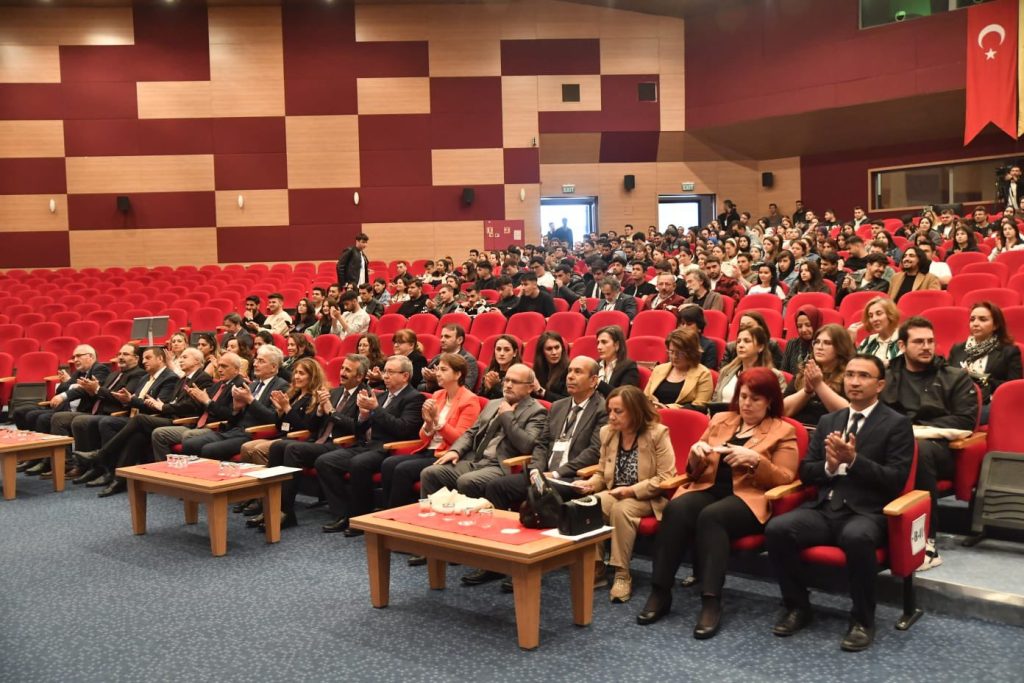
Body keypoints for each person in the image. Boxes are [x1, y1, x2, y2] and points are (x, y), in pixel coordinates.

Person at [766, 354, 914, 652]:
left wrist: (854, 460)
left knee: (856, 536)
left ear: (880, 385)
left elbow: (895, 480)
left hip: (868, 512)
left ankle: (862, 620)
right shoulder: (828, 421)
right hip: (825, 508)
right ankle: (798, 606)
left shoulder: (897, 424)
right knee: (778, 529)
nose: (854, 382)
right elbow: (806, 471)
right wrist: (830, 467)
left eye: (863, 376)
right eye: (849, 375)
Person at [638, 368, 798, 637]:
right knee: (676, 508)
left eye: (755, 399)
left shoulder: (783, 430)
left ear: (770, 401)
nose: (747, 404)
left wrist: (756, 461)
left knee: (712, 516)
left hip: (749, 498)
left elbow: (785, 478)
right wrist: (695, 455)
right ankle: (660, 591)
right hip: (710, 488)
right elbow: (694, 472)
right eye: (743, 397)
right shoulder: (722, 419)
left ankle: (711, 600)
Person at [881, 317, 978, 570]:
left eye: (930, 341)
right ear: (902, 345)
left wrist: (913, 432)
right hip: (894, 445)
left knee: (919, 450)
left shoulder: (954, 377)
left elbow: (965, 421)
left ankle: (926, 542)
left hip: (940, 450)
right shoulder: (887, 376)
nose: (927, 347)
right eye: (919, 342)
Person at [577, 385, 676, 603]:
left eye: (618, 411)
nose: (611, 416)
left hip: (647, 496)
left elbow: (665, 477)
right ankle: (597, 566)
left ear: (635, 411)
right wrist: (590, 485)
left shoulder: (657, 433)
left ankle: (622, 574)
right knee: (588, 503)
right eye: (610, 411)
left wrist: (631, 490)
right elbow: (602, 472)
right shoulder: (608, 432)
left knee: (621, 509)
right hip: (615, 492)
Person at [316, 355, 426, 535]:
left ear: (405, 376)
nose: (385, 376)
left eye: (391, 372)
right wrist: (363, 416)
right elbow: (360, 429)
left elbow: (403, 429)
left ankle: (360, 518)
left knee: (359, 463)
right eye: (385, 371)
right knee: (325, 461)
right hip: (369, 445)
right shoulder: (382, 396)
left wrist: (376, 409)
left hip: (392, 449)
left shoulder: (414, 398)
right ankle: (342, 513)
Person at [71, 347, 213, 485]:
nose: (180, 360)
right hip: (161, 416)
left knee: (135, 421)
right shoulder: (180, 379)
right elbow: (173, 402)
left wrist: (162, 406)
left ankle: (101, 456)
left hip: (178, 421)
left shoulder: (197, 378)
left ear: (197, 361)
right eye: (180, 357)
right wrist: (130, 400)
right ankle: (118, 478)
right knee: (132, 432)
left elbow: (191, 406)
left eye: (184, 357)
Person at [419, 362, 547, 508]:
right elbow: (471, 432)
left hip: (500, 466)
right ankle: (433, 518)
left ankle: (467, 521)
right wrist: (456, 450)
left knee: (467, 481)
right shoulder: (493, 403)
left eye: (515, 382)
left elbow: (527, 445)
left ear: (530, 387)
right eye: (506, 380)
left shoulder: (537, 411)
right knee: (430, 473)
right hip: (475, 460)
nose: (508, 385)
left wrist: (507, 416)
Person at [264, 354, 367, 529]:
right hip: (321, 441)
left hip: (342, 444)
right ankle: (272, 505)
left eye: (348, 370)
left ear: (359, 376)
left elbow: (358, 428)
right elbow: (311, 427)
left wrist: (331, 412)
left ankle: (285, 511)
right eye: (342, 368)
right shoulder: (334, 392)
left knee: (293, 449)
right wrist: (319, 411)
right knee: (278, 446)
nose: (342, 372)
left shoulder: (364, 395)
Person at [380, 353, 482, 514]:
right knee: (388, 463)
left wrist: (437, 420)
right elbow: (424, 436)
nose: (438, 373)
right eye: (438, 369)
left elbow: (460, 440)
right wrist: (428, 423)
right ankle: (385, 512)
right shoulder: (438, 395)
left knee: (403, 469)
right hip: (428, 450)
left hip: (447, 455)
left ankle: (398, 515)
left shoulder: (470, 400)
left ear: (458, 374)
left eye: (443, 370)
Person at [237, 357, 324, 470]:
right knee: (246, 447)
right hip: (282, 436)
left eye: (301, 373)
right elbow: (280, 426)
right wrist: (280, 411)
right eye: (296, 372)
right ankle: (251, 479)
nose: (296, 376)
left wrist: (287, 408)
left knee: (258, 449)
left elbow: (303, 428)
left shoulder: (314, 398)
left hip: (296, 440)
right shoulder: (294, 395)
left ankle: (270, 479)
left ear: (312, 377)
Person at [948, 302, 1022, 424]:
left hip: (989, 402)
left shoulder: (1009, 351)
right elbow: (946, 380)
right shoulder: (958, 349)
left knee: (968, 415)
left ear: (995, 325)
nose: (975, 323)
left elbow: (1012, 388)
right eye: (972, 319)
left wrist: (978, 377)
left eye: (982, 319)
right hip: (958, 401)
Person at [784, 324, 854, 426]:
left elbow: (848, 415)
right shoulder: (806, 371)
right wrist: (807, 391)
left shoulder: (850, 376)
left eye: (827, 343)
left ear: (840, 347)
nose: (819, 347)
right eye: (817, 342)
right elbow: (783, 411)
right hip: (796, 429)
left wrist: (819, 385)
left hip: (828, 432)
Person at [712, 325, 786, 404]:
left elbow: (778, 406)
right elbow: (714, 402)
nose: (740, 345)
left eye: (747, 341)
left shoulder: (774, 376)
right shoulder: (726, 371)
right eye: (738, 341)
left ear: (760, 347)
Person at [644, 328, 713, 411]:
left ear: (691, 352)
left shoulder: (703, 374)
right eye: (671, 351)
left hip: (682, 417)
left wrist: (668, 408)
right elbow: (645, 398)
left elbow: (700, 406)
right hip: (653, 415)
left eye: (679, 353)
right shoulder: (659, 369)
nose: (674, 356)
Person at [418, 323, 479, 394]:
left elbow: (466, 389)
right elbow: (420, 387)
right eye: (441, 336)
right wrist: (430, 383)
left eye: (447, 337)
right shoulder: (437, 358)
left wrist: (438, 379)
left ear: (459, 340)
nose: (442, 340)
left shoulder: (468, 360)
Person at [854, 297, 901, 366]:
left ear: (890, 314)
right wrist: (850, 341)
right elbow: (855, 364)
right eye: (871, 316)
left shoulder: (904, 339)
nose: (874, 319)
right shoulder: (868, 341)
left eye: (879, 314)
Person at [595, 325, 639, 397]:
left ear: (616, 345)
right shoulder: (595, 364)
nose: (599, 347)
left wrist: (599, 383)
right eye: (598, 343)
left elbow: (624, 396)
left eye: (604, 342)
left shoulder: (628, 367)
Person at [780, 305, 821, 375]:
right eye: (799, 326)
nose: (803, 330)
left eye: (808, 325)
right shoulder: (792, 344)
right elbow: (784, 373)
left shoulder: (822, 346)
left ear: (816, 323)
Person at [678, 304, 720, 370]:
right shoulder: (676, 342)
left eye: (689, 324)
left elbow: (709, 372)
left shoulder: (709, 346)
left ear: (699, 327)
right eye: (682, 323)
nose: (684, 327)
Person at [480, 334, 522, 400]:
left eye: (507, 350)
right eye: (498, 349)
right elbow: (481, 397)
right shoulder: (489, 370)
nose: (501, 353)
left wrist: (495, 385)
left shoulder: (520, 373)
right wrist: (486, 388)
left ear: (515, 353)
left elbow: (512, 399)